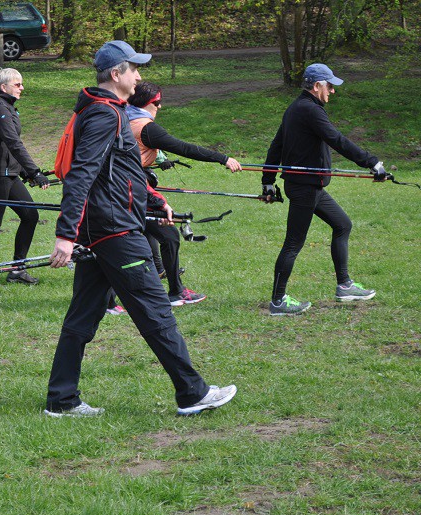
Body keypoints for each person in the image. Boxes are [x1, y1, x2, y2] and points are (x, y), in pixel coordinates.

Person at [45, 41, 237, 417]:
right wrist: (65, 235)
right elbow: (82, 175)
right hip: (115, 232)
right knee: (156, 311)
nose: (139, 76)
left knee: (82, 317)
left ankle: (61, 399)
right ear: (116, 74)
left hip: (103, 229)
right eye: (134, 69)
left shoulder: (109, 112)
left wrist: (154, 199)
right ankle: (192, 393)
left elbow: (122, 171)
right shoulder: (103, 115)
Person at [262, 63, 387, 316]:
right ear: (317, 86)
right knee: (293, 243)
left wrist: (268, 180)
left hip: (312, 187)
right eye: (329, 86)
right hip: (304, 188)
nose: (332, 91)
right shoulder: (309, 110)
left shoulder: (297, 108)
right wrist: (371, 162)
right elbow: (337, 140)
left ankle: (345, 285)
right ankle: (277, 301)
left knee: (342, 225)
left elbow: (276, 146)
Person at [126, 81, 243, 306]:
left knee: (156, 236)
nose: (159, 107)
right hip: (131, 190)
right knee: (165, 236)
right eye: (157, 102)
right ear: (148, 103)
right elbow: (185, 148)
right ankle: (172, 292)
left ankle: (164, 289)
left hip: (126, 187)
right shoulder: (146, 127)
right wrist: (223, 158)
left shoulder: (124, 117)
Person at [0, 68, 49, 288]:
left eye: (21, 84)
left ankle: (17, 269)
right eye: (18, 84)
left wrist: (25, 173)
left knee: (30, 216)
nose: (22, 88)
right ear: (3, 87)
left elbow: (7, 146)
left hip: (8, 173)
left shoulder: (7, 108)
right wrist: (34, 171)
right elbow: (14, 142)